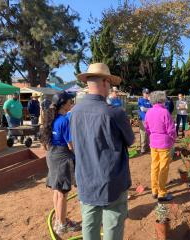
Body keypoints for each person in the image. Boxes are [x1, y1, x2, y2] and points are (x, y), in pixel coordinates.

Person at [71, 63, 135, 240]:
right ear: (106, 82)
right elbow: (130, 140)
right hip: (111, 181)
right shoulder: (115, 113)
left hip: (85, 179)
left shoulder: (74, 111)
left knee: (89, 224)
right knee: (112, 226)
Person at [40, 91, 79, 235]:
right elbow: (71, 145)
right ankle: (62, 225)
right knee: (63, 193)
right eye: (70, 102)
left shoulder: (52, 118)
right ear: (63, 104)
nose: (71, 104)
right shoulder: (64, 120)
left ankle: (59, 220)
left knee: (57, 190)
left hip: (52, 155)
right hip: (62, 156)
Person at [145, 91, 176, 202]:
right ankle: (162, 193)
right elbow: (171, 130)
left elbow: (147, 128)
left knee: (155, 166)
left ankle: (154, 190)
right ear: (161, 100)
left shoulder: (149, 112)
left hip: (153, 143)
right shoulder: (165, 112)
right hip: (164, 144)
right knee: (163, 168)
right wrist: (173, 140)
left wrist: (152, 136)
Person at [138, 88, 152, 154]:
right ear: (143, 93)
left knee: (149, 133)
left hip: (149, 119)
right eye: (146, 93)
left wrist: (151, 101)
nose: (147, 94)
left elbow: (154, 107)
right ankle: (143, 149)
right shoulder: (141, 100)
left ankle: (148, 147)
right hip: (142, 119)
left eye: (148, 93)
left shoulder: (150, 101)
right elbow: (143, 109)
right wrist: (150, 109)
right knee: (143, 134)